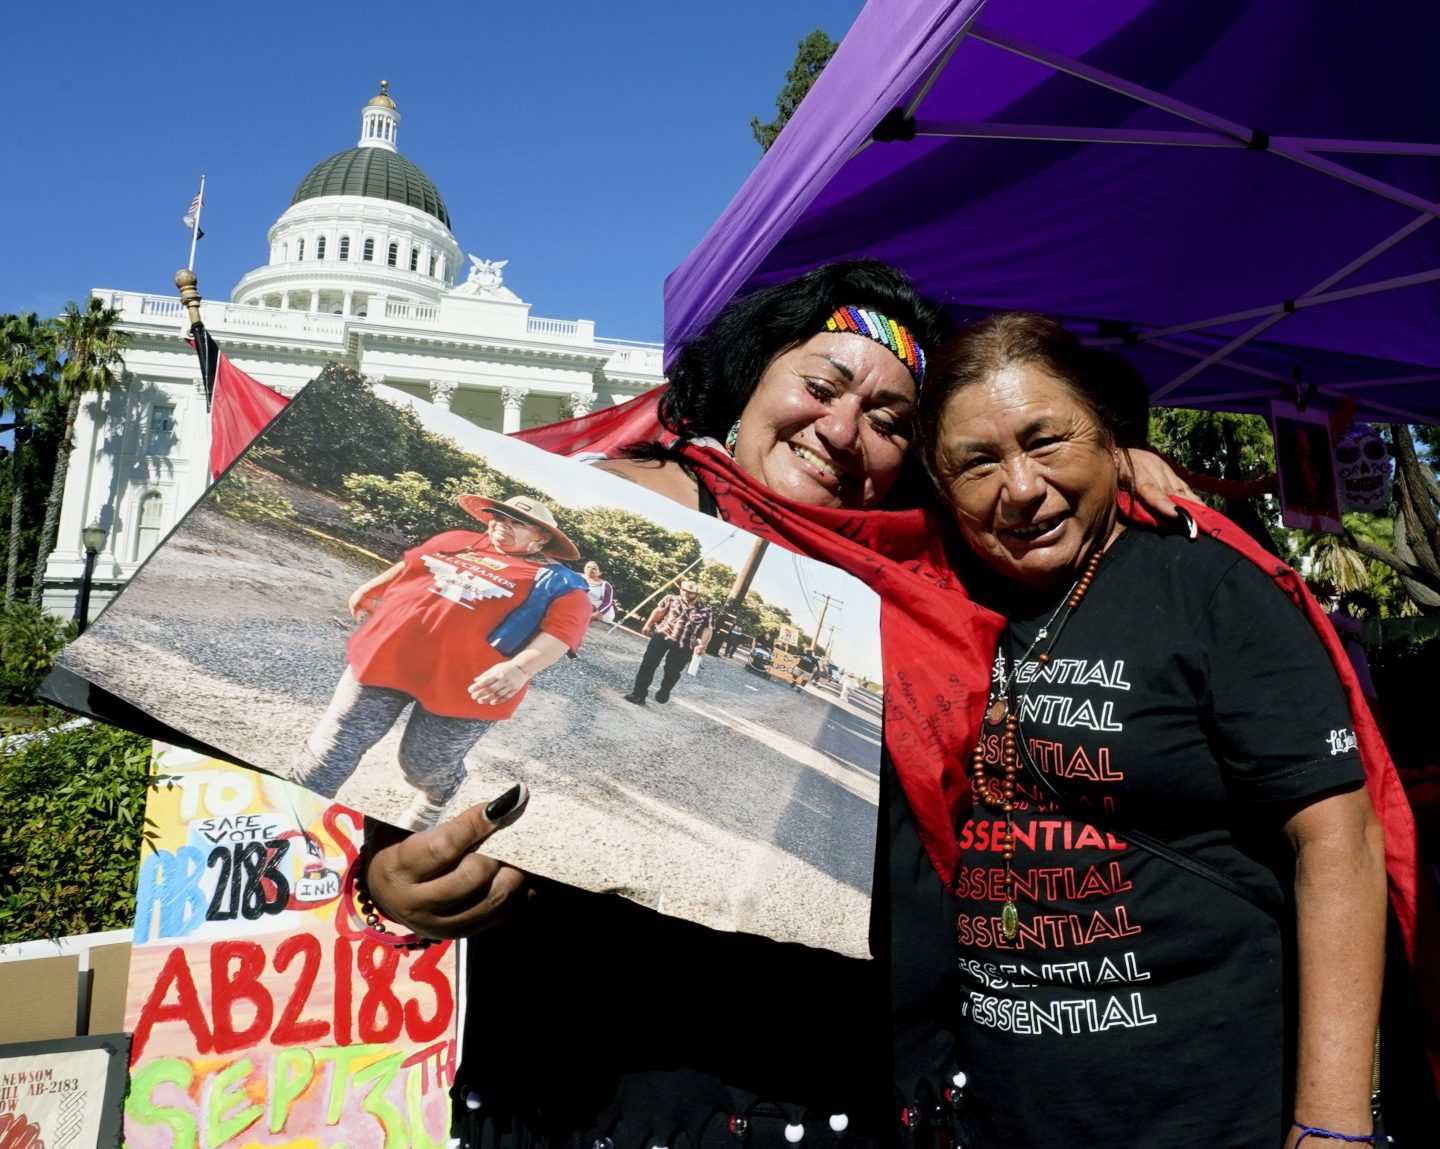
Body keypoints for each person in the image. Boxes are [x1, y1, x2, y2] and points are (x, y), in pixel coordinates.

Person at [356, 262, 1201, 1149]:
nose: (842, 431)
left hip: (852, 1088)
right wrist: (393, 878)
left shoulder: (932, 568)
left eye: (888, 421)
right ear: (752, 374)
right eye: (821, 385)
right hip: (602, 1090)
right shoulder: (600, 500)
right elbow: (431, 744)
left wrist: (1107, 464)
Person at [913, 312, 1387, 1147]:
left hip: (1204, 1109)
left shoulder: (1208, 586)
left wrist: (1333, 1122)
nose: (1020, 487)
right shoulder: (930, 587)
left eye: (1048, 440)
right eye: (978, 460)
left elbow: (1339, 842)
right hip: (997, 1116)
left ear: (1107, 435)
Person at [293, 493, 591, 830]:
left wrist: (521, 668)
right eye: (498, 516)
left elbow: (562, 633)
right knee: (334, 744)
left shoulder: (562, 584)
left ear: (542, 537)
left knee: (423, 766)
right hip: (385, 659)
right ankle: (292, 819)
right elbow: (414, 565)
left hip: (468, 687)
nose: (501, 525)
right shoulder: (457, 540)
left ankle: (435, 798)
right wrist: (373, 587)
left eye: (517, 522)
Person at [625, 579, 714, 704]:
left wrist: (702, 645)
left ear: (697, 595)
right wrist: (647, 625)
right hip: (662, 636)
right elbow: (659, 612)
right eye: (684, 590)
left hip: (684, 644)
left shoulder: (706, 611)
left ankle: (665, 690)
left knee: (672, 672)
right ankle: (638, 694)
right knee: (648, 664)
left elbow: (708, 629)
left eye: (690, 592)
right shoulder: (670, 599)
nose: (686, 594)